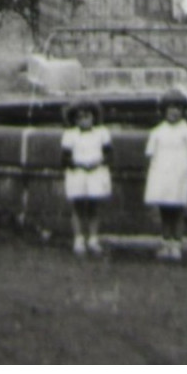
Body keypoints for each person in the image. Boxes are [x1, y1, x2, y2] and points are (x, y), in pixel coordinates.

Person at [143, 89, 187, 261]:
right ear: (163, 111)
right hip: (161, 174)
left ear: (184, 111)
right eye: (170, 108)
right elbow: (150, 155)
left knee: (178, 210)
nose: (174, 112)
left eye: (178, 108)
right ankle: (166, 243)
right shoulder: (157, 131)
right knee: (165, 210)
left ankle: (176, 244)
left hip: (180, 174)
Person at [61, 98, 113, 257]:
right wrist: (78, 164)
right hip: (78, 172)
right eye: (80, 118)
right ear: (74, 119)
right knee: (77, 206)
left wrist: (99, 162)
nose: (84, 121)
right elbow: (65, 158)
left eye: (87, 117)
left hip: (96, 172)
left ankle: (93, 238)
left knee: (93, 207)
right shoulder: (70, 135)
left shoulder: (101, 133)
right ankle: (78, 238)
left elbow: (109, 154)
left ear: (94, 117)